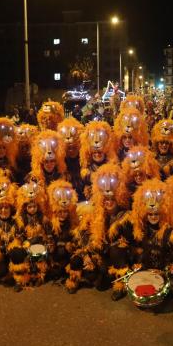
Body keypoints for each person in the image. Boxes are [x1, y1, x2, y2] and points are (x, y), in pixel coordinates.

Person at [71, 163, 129, 296]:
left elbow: (127, 243)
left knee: (117, 250)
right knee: (98, 284)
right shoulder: (97, 213)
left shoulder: (125, 216)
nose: (108, 202)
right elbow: (84, 232)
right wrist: (87, 255)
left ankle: (119, 283)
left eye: (112, 199)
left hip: (118, 256)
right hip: (102, 253)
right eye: (105, 199)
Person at [46, 181, 79, 280]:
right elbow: (50, 239)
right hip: (56, 253)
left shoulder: (72, 221)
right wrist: (51, 244)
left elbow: (75, 238)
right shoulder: (51, 223)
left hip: (68, 253)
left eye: (65, 212)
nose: (62, 214)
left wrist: (71, 244)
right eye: (60, 212)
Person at [79, 120, 118, 200]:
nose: (97, 155)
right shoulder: (88, 169)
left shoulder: (112, 166)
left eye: (100, 153)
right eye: (94, 153)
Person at [57, 117, 85, 199]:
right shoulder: (59, 163)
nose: (71, 150)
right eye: (69, 148)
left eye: (74, 147)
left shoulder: (86, 160)